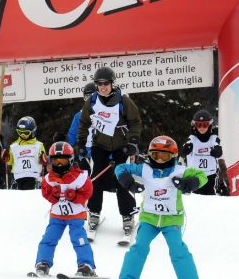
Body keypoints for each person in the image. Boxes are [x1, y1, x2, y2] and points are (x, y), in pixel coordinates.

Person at [115, 135, 207, 279]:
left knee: (178, 250)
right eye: (156, 155)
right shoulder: (144, 169)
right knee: (139, 248)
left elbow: (202, 175)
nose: (159, 160)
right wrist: (128, 182)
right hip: (148, 219)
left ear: (172, 156)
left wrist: (189, 183)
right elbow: (121, 168)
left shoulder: (179, 171)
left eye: (164, 157)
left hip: (172, 219)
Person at [76, 66, 142, 237]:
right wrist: (81, 143)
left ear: (112, 84)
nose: (103, 87)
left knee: (122, 179)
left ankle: (127, 215)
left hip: (121, 146)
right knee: (96, 179)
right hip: (100, 145)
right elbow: (84, 123)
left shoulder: (123, 100)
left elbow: (135, 121)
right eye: (99, 84)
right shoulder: (91, 101)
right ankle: (94, 213)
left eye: (106, 83)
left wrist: (133, 142)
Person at [33, 141, 96, 277]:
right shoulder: (49, 179)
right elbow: (45, 193)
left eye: (63, 160)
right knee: (49, 238)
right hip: (57, 216)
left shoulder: (80, 177)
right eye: (56, 161)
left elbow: (88, 192)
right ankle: (42, 263)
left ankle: (86, 265)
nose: (60, 164)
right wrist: (54, 196)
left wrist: (75, 197)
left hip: (76, 215)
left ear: (71, 160)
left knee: (78, 239)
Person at [181, 110, 222, 195]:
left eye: (205, 125)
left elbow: (218, 148)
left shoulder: (213, 138)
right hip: (195, 176)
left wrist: (217, 151)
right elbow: (185, 148)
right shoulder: (192, 139)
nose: (202, 128)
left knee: (209, 200)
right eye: (199, 125)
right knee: (195, 198)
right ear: (195, 125)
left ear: (210, 125)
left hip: (210, 177)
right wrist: (186, 150)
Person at [3, 116, 46, 190]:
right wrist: (6, 157)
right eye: (20, 132)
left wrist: (43, 158)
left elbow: (43, 161)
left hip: (33, 176)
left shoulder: (38, 145)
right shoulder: (14, 146)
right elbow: (10, 162)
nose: (23, 135)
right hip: (18, 177)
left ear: (33, 131)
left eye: (26, 133)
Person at [68, 82, 96, 172]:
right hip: (85, 152)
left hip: (102, 151)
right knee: (85, 178)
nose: (90, 100)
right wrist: (68, 148)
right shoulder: (79, 115)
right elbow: (72, 134)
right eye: (87, 97)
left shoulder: (107, 112)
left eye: (92, 96)